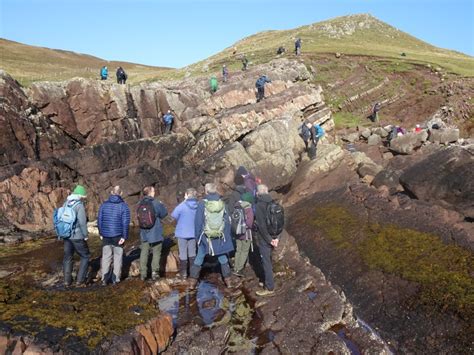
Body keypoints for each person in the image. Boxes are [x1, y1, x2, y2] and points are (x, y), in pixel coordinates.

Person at [189, 183, 234, 289]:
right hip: (219, 236)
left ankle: (192, 283)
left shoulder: (202, 204)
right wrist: (225, 236)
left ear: (206, 191)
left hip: (206, 237)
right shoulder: (222, 203)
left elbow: (198, 222)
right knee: (222, 257)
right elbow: (228, 221)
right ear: (216, 190)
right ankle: (229, 282)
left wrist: (197, 237)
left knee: (199, 258)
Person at [97, 185, 130, 285]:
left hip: (106, 234)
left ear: (111, 192)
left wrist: (101, 232)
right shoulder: (124, 206)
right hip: (118, 235)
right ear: (121, 193)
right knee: (118, 256)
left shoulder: (103, 205)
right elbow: (125, 223)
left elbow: (99, 220)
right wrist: (124, 236)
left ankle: (104, 278)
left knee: (106, 256)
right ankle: (115, 279)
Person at [254, 184, 281, 296]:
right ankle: (268, 280)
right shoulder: (274, 203)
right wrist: (277, 238)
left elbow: (261, 226)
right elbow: (279, 222)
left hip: (265, 239)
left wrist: (269, 240)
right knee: (269, 259)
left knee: (266, 262)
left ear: (258, 193)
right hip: (274, 235)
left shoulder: (259, 205)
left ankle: (269, 287)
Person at [137, 186, 168, 281]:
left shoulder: (139, 203)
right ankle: (155, 272)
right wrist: (162, 205)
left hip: (144, 232)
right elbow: (164, 214)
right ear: (150, 192)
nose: (154, 192)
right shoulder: (156, 203)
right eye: (153, 191)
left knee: (144, 252)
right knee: (156, 252)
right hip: (155, 232)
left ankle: (143, 274)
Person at [62, 185, 90, 287]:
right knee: (85, 256)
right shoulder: (79, 205)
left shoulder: (66, 203)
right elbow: (82, 222)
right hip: (77, 236)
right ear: (80, 195)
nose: (83, 199)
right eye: (83, 197)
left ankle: (67, 281)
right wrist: (85, 235)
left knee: (68, 257)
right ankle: (80, 281)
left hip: (66, 235)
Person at [171, 188, 199, 280]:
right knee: (192, 253)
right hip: (193, 233)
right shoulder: (198, 205)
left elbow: (174, 215)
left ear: (187, 195)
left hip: (182, 233)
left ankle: (183, 274)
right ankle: (193, 274)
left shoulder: (182, 206)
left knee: (183, 253)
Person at [231, 192, 254, 277]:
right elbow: (249, 223)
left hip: (237, 232)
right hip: (246, 233)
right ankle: (239, 269)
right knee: (244, 251)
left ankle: (235, 267)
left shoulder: (237, 206)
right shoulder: (248, 209)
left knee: (238, 250)